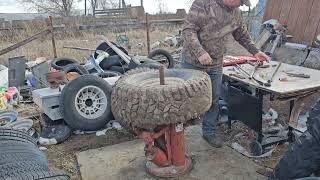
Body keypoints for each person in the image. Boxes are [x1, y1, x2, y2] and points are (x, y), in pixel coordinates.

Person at [181, 0, 270, 148]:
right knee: (187, 98)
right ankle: (177, 131)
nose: (240, 4)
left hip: (215, 62)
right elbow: (188, 30)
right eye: (239, 1)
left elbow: (241, 34)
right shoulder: (204, 4)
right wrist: (200, 52)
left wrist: (256, 51)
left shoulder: (235, 12)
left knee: (214, 98)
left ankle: (209, 131)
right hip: (193, 61)